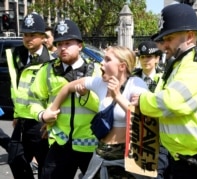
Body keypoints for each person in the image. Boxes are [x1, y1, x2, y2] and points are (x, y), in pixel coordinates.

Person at [131, 4, 197, 179]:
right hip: (183, 159)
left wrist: (143, 100)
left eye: (169, 38)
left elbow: (171, 102)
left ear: (189, 36)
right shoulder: (180, 64)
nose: (163, 45)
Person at [42, 45, 149, 178]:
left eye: (107, 60)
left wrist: (118, 96)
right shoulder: (100, 83)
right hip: (101, 154)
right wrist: (52, 110)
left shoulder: (136, 84)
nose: (101, 63)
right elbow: (68, 87)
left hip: (125, 157)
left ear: (122, 66)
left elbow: (144, 119)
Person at [29, 19, 100, 179]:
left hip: (90, 144)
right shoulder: (47, 70)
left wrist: (85, 96)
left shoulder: (96, 71)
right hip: (60, 143)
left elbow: (106, 105)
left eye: (68, 43)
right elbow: (32, 100)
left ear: (80, 45)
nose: (63, 48)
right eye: (60, 44)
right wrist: (42, 115)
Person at [6, 12, 54, 179]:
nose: (28, 39)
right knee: (14, 159)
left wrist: (51, 121)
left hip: (41, 122)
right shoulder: (16, 54)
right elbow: (16, 88)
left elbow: (54, 93)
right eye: (25, 35)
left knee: (44, 166)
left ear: (43, 37)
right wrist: (16, 114)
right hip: (21, 120)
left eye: (32, 35)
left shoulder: (51, 60)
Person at [133, 41, 171, 179]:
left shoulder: (166, 78)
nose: (145, 60)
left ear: (157, 59)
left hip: (160, 134)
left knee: (159, 172)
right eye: (142, 57)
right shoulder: (132, 78)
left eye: (149, 57)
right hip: (137, 135)